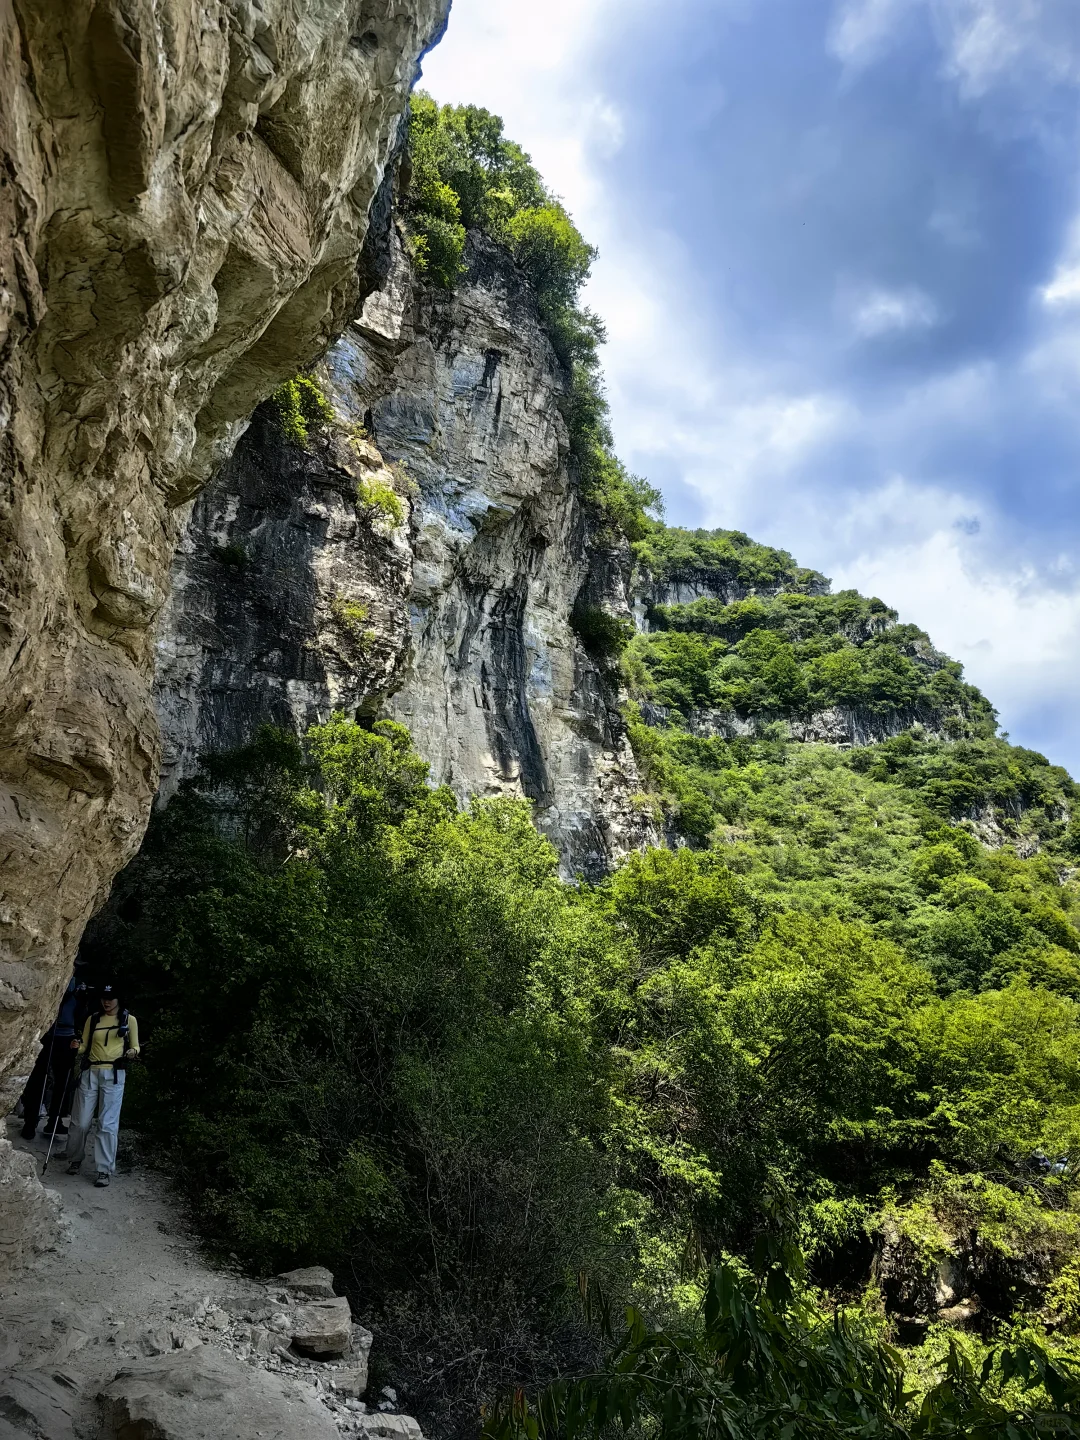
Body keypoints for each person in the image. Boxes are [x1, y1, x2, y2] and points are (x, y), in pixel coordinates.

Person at [63, 983, 139, 1188]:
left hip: (114, 1074)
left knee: (107, 1124)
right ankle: (75, 1159)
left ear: (119, 999)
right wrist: (77, 1047)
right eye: (104, 997)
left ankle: (104, 1170)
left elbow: (135, 1046)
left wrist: (132, 1053)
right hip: (91, 1072)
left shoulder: (128, 1020)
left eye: (111, 998)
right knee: (80, 1122)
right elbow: (85, 1046)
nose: (107, 1001)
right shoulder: (93, 1019)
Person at [18, 979, 85, 1140]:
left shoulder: (77, 994)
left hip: (65, 1040)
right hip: (49, 1036)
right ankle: (33, 1121)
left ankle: (53, 1120)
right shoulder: (65, 989)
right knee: (40, 1079)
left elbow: (81, 1016)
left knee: (61, 1082)